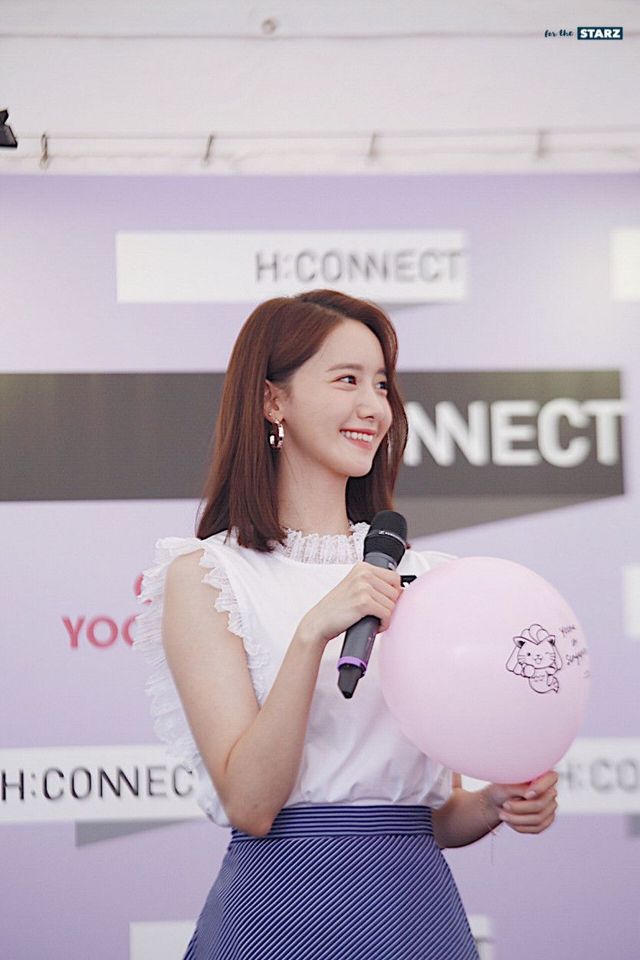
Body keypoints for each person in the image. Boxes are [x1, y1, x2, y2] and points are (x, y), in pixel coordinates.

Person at [133, 289, 558, 960]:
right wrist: (313, 634)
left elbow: (436, 815)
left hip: (415, 915)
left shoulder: (427, 577)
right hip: (278, 913)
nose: (374, 407)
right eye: (347, 380)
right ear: (273, 401)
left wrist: (494, 803)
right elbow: (252, 805)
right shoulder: (209, 576)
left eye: (382, 384)